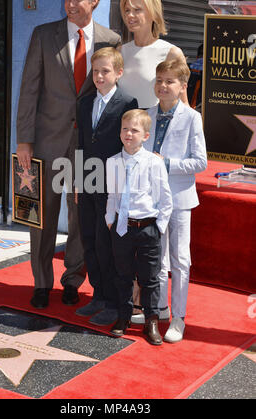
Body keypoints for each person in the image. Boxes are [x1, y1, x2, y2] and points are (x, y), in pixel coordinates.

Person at [16, 0, 121, 309]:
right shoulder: (43, 35)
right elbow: (29, 90)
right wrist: (23, 141)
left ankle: (73, 279)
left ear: (94, 1)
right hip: (45, 143)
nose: (70, 4)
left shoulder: (111, 40)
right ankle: (42, 283)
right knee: (40, 215)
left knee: (81, 216)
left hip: (87, 146)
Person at [118, 0, 188, 323]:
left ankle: (154, 303)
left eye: (138, 10)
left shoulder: (170, 51)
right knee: (127, 223)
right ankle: (132, 297)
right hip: (125, 148)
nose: (131, 16)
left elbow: (183, 112)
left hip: (155, 156)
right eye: (127, 10)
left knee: (151, 231)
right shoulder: (121, 50)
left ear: (153, 13)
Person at [144, 59, 207, 342]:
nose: (162, 86)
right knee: (157, 259)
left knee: (180, 259)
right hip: (152, 200)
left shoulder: (192, 118)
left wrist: (166, 164)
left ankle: (179, 318)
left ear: (183, 86)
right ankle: (161, 310)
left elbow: (200, 162)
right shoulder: (146, 115)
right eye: (159, 80)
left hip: (180, 199)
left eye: (169, 81)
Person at [75, 47, 138, 326]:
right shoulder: (85, 102)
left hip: (112, 183)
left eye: (105, 71)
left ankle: (114, 301)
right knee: (88, 239)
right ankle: (98, 294)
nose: (99, 76)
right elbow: (81, 144)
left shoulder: (127, 102)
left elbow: (129, 146)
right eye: (95, 71)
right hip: (87, 180)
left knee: (107, 243)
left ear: (118, 73)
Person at [105, 109, 173, 345]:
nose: (128, 134)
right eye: (125, 129)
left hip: (148, 228)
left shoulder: (154, 163)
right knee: (122, 275)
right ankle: (123, 317)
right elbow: (112, 196)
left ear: (145, 135)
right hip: (122, 227)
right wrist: (110, 220)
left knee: (149, 277)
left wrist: (159, 228)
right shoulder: (112, 162)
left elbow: (165, 199)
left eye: (134, 130)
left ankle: (151, 320)